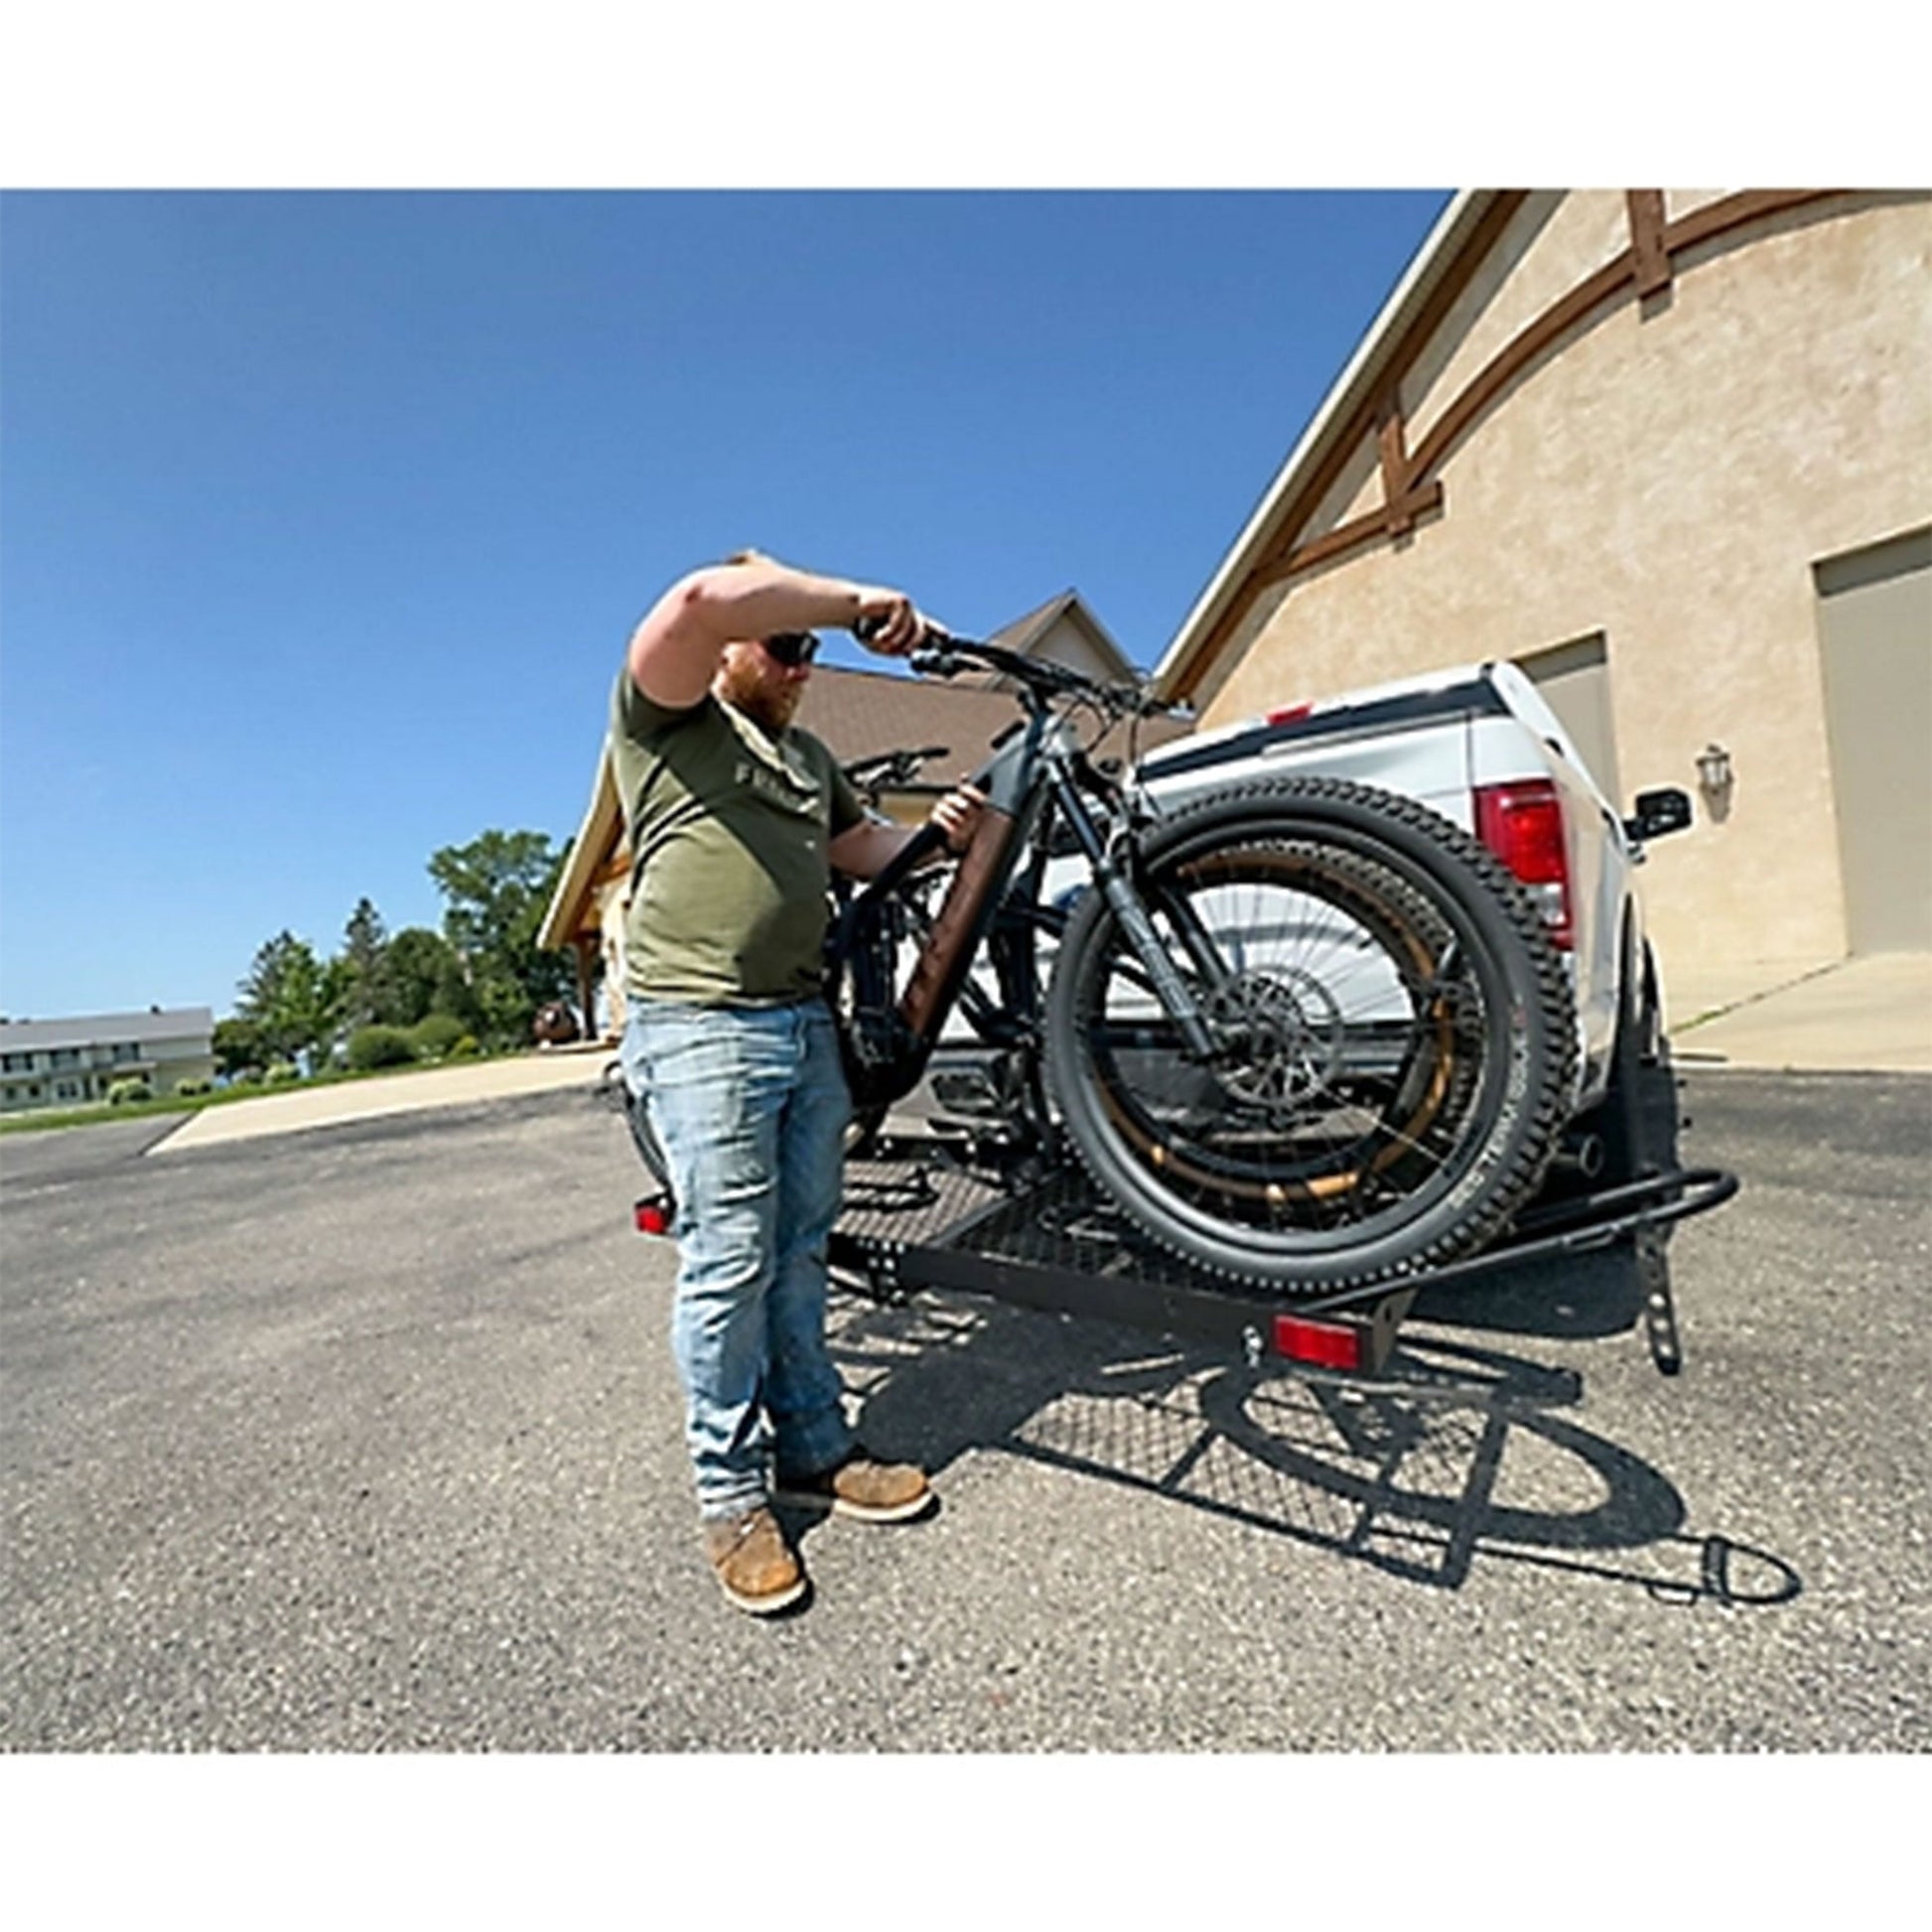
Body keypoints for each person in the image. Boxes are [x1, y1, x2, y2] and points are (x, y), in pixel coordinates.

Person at [611, 551, 984, 1615]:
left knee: (800, 1244)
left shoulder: (809, 758)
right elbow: (699, 599)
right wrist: (861, 601)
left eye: (810, 651)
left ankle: (814, 1446)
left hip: (800, 1020)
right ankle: (730, 1495)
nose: (800, 666)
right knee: (728, 1259)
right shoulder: (665, 718)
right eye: (785, 644)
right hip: (699, 1026)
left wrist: (942, 837)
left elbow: (864, 849)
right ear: (735, 647)